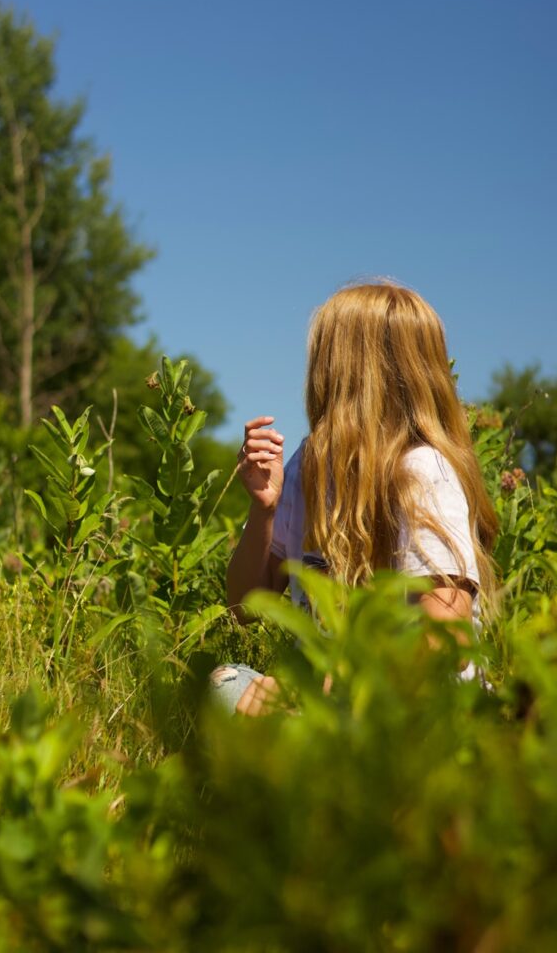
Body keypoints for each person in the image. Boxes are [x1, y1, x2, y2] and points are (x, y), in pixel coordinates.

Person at [211, 282, 499, 716]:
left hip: (421, 710)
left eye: (323, 354)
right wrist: (264, 508)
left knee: (247, 704)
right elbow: (245, 607)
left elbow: (447, 643)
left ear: (347, 370)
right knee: (222, 684)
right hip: (337, 703)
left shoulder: (423, 472)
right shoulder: (308, 465)